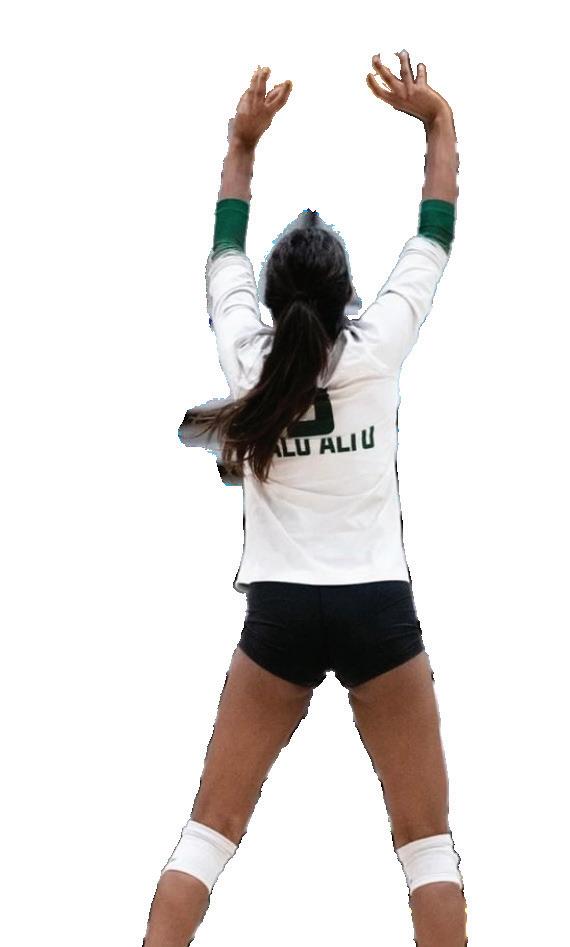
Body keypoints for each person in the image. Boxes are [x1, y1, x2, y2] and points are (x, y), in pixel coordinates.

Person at [143, 50, 465, 947]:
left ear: (272, 298)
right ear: (348, 293)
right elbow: (435, 230)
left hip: (280, 615)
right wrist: (437, 121)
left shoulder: (245, 354)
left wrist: (242, 144)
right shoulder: (377, 346)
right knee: (426, 846)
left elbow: (224, 249)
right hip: (377, 611)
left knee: (208, 834)